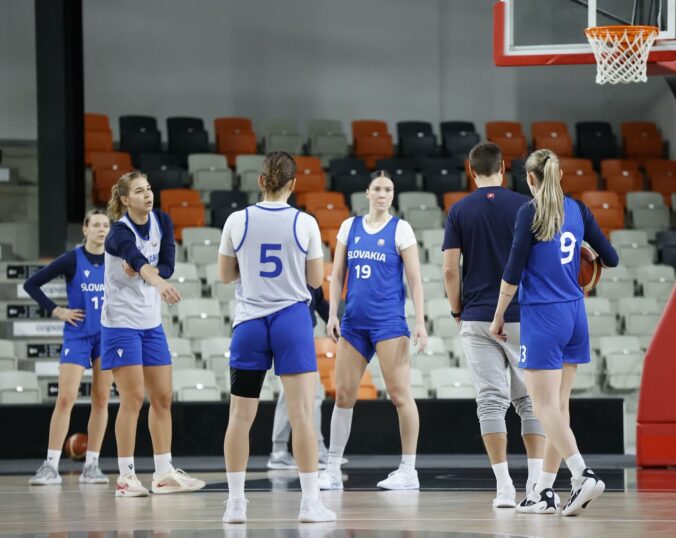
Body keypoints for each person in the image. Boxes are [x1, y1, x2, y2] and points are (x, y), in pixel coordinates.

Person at [490, 149, 619, 516]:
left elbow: (513, 272)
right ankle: (544, 491)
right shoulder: (578, 210)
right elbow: (611, 258)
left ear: (530, 179)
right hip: (576, 314)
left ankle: (582, 475)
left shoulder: (528, 213)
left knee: (542, 406)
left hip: (543, 317)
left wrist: (498, 316)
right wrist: (585, 252)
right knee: (557, 408)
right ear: (559, 176)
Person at [219, 151, 336, 524]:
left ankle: (235, 504)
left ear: (259, 182)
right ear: (293, 184)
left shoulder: (237, 220)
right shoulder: (306, 223)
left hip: (249, 322)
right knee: (303, 414)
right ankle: (309, 504)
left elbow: (225, 275)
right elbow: (316, 280)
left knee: (240, 416)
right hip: (291, 320)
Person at [442, 142, 545, 508]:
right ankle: (535, 485)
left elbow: (450, 268)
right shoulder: (524, 206)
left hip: (477, 316)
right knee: (530, 401)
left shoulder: (459, 210)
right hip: (522, 315)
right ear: (503, 168)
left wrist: (457, 310)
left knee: (489, 400)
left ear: (470, 171)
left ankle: (503, 487)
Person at [319, 170, 428, 491]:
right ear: (367, 193)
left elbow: (415, 280)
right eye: (378, 189)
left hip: (389, 324)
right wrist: (332, 315)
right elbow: (336, 276)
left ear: (393, 196)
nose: (383, 194)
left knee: (399, 395)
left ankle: (409, 470)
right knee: (343, 395)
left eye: (388, 190)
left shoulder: (401, 229)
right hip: (353, 323)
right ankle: (333, 468)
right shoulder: (349, 226)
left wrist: (420, 322)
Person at [101, 171, 205, 497]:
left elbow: (168, 263)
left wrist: (152, 272)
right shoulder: (117, 232)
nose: (148, 195)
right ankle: (125, 476)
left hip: (150, 324)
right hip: (121, 326)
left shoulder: (162, 220)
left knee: (162, 398)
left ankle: (163, 473)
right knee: (133, 399)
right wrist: (155, 279)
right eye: (139, 191)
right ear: (124, 199)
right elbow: (135, 258)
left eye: (149, 189)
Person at [26, 210, 113, 485]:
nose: (101, 229)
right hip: (77, 336)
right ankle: (50, 466)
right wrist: (56, 310)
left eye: (105, 225)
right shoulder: (72, 258)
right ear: (85, 230)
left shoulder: (116, 260)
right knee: (66, 398)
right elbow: (32, 284)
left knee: (101, 399)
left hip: (106, 336)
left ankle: (92, 466)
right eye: (96, 225)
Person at [267, 286, 334, 470]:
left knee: (306, 393)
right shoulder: (296, 265)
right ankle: (310, 450)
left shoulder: (307, 269)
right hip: (293, 328)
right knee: (304, 393)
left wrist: (336, 323)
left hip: (301, 330)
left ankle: (283, 450)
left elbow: (318, 300)